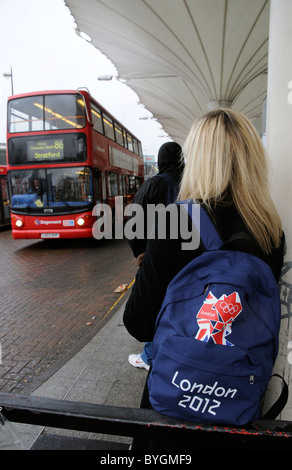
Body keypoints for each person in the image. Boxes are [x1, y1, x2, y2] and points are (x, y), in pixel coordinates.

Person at [123, 108, 285, 449]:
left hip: (173, 403)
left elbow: (138, 322)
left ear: (196, 159)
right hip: (239, 401)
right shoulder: (271, 231)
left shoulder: (174, 222)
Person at [127, 141, 184, 371]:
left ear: (161, 160)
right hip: (192, 257)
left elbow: (134, 222)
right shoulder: (195, 181)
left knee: (156, 302)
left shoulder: (154, 184)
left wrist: (140, 252)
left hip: (158, 255)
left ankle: (150, 356)